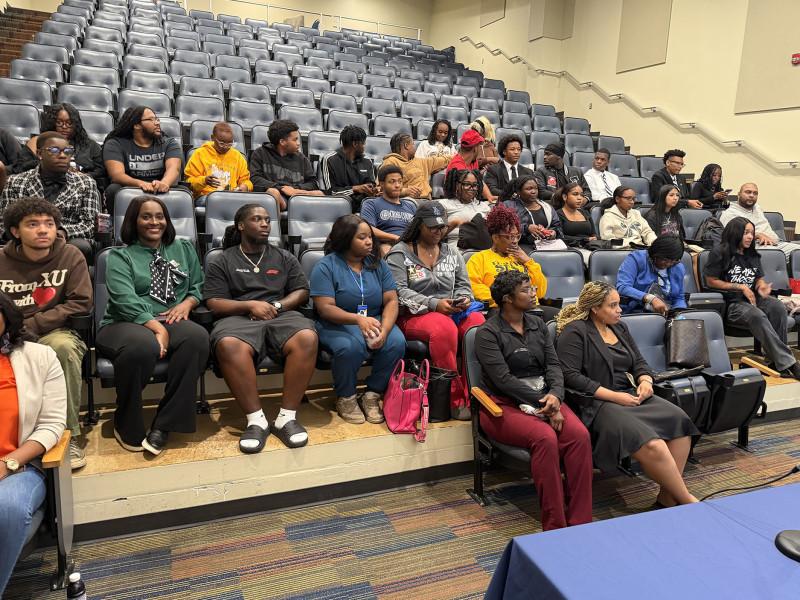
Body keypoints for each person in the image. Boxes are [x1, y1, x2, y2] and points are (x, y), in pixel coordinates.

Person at [556, 281, 699, 507]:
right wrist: (613, 396)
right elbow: (569, 376)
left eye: (619, 305)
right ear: (595, 308)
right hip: (598, 403)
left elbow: (639, 362)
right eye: (613, 306)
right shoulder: (576, 331)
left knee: (680, 423)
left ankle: (667, 496)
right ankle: (685, 500)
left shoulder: (619, 328)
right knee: (654, 444)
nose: (620, 310)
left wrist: (645, 380)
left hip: (631, 395)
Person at [476, 271, 592, 530]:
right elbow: (503, 380)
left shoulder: (538, 323)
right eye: (526, 290)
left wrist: (556, 397)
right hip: (501, 405)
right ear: (507, 298)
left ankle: (581, 521)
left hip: (546, 397)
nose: (534, 293)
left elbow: (553, 365)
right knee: (545, 438)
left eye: (532, 289)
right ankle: (555, 526)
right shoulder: (487, 332)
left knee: (579, 436)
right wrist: (546, 403)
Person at [96, 195, 209, 454]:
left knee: (197, 337)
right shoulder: (119, 256)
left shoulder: (184, 248)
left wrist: (188, 303)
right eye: (146, 216)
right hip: (124, 322)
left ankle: (165, 424)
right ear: (134, 221)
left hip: (171, 317)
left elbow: (199, 284)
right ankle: (126, 423)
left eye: (160, 216)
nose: (154, 222)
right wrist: (156, 328)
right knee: (140, 346)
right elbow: (123, 299)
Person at [204, 204, 318, 452]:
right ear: (241, 225)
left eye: (267, 220)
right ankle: (256, 421)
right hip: (238, 317)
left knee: (307, 336)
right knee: (228, 344)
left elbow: (301, 291)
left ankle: (286, 418)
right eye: (257, 219)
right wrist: (249, 306)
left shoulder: (284, 256)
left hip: (279, 315)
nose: (265, 224)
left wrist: (276, 305)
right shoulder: (221, 260)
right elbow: (213, 302)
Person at [0, 197, 92, 469]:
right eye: (32, 224)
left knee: (63, 348)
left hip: (53, 330)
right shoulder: (2, 260)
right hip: (6, 333)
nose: (43, 230)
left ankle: (66, 434)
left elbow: (80, 302)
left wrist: (35, 325)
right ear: (15, 231)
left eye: (49, 224)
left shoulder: (70, 255)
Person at [386, 202, 484, 420]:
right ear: (419, 225)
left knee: (477, 323)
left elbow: (464, 286)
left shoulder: (452, 252)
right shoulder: (399, 253)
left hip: (450, 310)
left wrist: (464, 300)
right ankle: (453, 398)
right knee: (443, 327)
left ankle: (479, 394)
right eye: (433, 227)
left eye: (442, 227)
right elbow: (397, 292)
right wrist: (434, 304)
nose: (438, 232)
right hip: (412, 315)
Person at [310, 214, 406, 424]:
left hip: (374, 317)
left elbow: (391, 300)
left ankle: (372, 395)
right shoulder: (326, 266)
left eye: (370, 236)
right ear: (345, 239)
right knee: (349, 347)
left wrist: (386, 329)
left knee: (396, 343)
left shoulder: (377, 264)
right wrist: (357, 320)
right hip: (337, 320)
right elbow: (325, 309)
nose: (369, 241)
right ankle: (346, 397)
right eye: (362, 237)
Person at [0, 291, 66, 595]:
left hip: (19, 467)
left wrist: (7, 463)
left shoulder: (39, 357)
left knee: (8, 507)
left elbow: (52, 424)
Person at [703, 216, 800, 378]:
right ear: (735, 233)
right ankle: (790, 363)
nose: (750, 236)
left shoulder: (752, 254)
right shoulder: (719, 252)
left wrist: (761, 287)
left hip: (754, 299)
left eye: (752, 233)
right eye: (746, 233)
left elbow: (758, 279)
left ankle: (775, 360)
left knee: (777, 306)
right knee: (758, 315)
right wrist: (739, 286)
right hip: (731, 303)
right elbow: (710, 281)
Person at [0, 132, 100, 262]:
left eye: (67, 151)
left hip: (69, 238)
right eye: (54, 150)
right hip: (27, 236)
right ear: (39, 154)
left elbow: (90, 224)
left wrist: (61, 232)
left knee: (78, 246)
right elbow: (5, 223)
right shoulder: (15, 182)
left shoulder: (86, 183)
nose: (63, 155)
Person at [466, 204, 556, 319]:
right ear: (495, 238)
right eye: (509, 237)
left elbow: (541, 292)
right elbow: (475, 288)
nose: (514, 241)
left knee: (564, 317)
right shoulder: (479, 259)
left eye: (517, 236)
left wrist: (529, 262)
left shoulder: (523, 259)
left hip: (531, 308)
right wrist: (511, 299)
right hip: (500, 308)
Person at [102, 106, 183, 214]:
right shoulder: (115, 144)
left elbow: (174, 169)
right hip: (131, 187)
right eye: (151, 119)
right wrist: (142, 184)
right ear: (136, 125)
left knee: (183, 191)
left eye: (157, 119)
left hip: (160, 187)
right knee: (113, 190)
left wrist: (164, 183)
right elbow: (117, 175)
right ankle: (117, 226)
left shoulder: (169, 143)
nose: (157, 123)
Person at [13, 103, 107, 191]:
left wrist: (86, 176)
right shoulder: (39, 140)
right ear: (52, 123)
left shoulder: (89, 144)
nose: (64, 127)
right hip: (42, 186)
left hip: (79, 187)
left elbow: (102, 169)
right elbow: (21, 165)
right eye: (59, 122)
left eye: (69, 123)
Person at [248, 119, 323, 211]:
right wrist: (281, 188)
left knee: (319, 193)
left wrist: (295, 190)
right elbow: (254, 179)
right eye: (295, 140)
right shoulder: (260, 153)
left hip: (299, 195)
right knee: (273, 193)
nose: (299, 143)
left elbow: (313, 183)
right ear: (282, 142)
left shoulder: (301, 158)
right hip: (277, 196)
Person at [718, 183, 800, 260]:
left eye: (755, 193)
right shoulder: (730, 213)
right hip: (756, 246)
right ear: (739, 194)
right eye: (748, 192)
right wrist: (758, 235)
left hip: (777, 244)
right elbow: (732, 235)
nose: (751, 196)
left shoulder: (758, 208)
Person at [616, 234, 687, 314]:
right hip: (635, 312)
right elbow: (623, 287)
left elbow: (679, 298)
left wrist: (679, 314)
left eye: (673, 261)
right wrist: (650, 298)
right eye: (664, 260)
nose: (668, 264)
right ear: (655, 254)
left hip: (665, 314)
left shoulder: (678, 268)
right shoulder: (636, 258)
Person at [184, 122, 252, 203]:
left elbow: (246, 180)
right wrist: (204, 180)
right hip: (206, 196)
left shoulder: (237, 156)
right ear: (212, 137)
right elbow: (189, 182)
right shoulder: (199, 154)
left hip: (231, 196)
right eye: (222, 143)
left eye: (230, 143)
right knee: (220, 202)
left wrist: (246, 186)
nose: (226, 147)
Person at [360, 164, 418, 255]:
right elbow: (368, 229)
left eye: (400, 181)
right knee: (387, 251)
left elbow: (419, 229)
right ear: (382, 184)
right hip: (385, 244)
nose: (397, 185)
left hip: (410, 244)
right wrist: (395, 238)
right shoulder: (371, 204)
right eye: (392, 182)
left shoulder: (411, 206)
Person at [499, 175, 565, 253]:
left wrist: (554, 233)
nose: (533, 191)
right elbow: (504, 227)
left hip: (546, 244)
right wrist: (526, 228)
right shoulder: (508, 205)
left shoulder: (546, 206)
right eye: (529, 189)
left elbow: (556, 225)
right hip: (520, 245)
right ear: (518, 191)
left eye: (535, 188)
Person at [320, 125, 377, 212]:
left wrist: (374, 191)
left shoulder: (367, 161)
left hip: (364, 207)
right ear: (355, 144)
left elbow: (372, 185)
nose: (364, 146)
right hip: (339, 207)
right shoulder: (329, 159)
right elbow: (332, 192)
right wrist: (355, 189)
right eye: (363, 143)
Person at [381, 132, 449, 200]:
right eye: (413, 144)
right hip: (405, 201)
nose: (414, 148)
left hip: (427, 202)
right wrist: (406, 191)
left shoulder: (422, 162)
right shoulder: (391, 161)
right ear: (406, 146)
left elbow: (445, 160)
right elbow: (382, 188)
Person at [439, 168, 489, 247]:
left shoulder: (483, 206)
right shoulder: (444, 205)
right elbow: (436, 233)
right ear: (457, 185)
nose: (471, 188)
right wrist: (455, 223)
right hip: (457, 246)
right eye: (466, 184)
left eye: (475, 185)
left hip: (483, 247)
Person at [484, 134, 534, 200]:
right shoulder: (493, 169)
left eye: (519, 149)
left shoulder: (528, 172)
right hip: (503, 203)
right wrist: (511, 195)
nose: (516, 152)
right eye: (512, 149)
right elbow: (492, 189)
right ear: (504, 152)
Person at [551, 183, 597, 249]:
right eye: (575, 194)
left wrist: (595, 238)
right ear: (565, 197)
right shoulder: (558, 214)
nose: (579, 198)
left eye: (581, 195)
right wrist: (584, 240)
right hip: (570, 248)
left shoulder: (585, 213)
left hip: (590, 246)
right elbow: (560, 236)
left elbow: (594, 233)